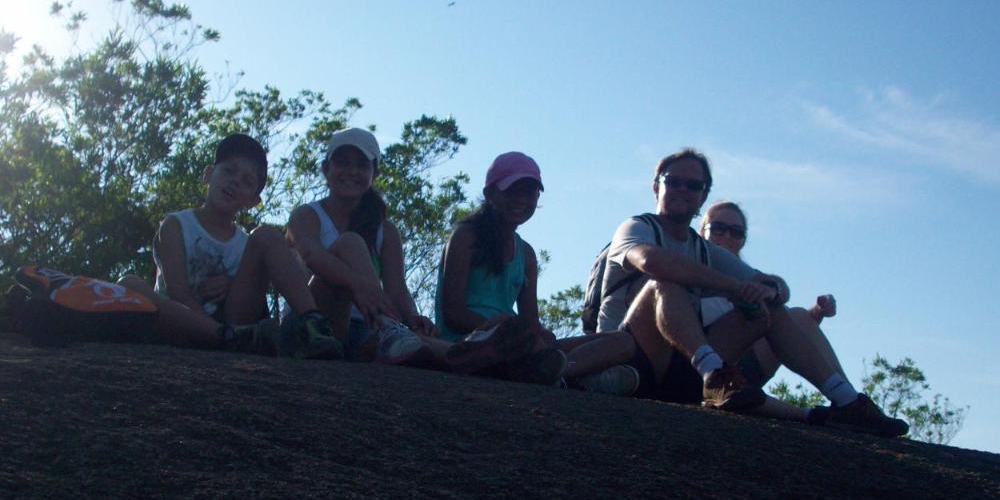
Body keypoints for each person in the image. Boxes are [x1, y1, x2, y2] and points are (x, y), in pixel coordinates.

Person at [597, 148, 907, 437]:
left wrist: (767, 290)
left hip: (683, 368)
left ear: (703, 195)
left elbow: (777, 287)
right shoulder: (637, 227)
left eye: (693, 186)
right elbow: (651, 261)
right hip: (631, 358)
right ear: (656, 187)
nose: (682, 189)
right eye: (673, 181)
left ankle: (846, 401)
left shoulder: (703, 250)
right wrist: (735, 286)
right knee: (664, 281)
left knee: (767, 307)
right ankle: (715, 373)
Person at [285, 129, 535, 374]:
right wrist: (358, 284)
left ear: (374, 172)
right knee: (350, 243)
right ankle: (390, 329)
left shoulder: (386, 230)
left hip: (365, 329)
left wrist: (412, 316)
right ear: (326, 169)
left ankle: (478, 357)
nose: (352, 171)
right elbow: (311, 254)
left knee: (419, 341)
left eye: (362, 165)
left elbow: (397, 288)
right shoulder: (307, 215)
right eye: (342, 163)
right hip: (315, 325)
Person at [120, 132, 343, 358]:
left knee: (267, 235)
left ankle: (313, 324)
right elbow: (179, 294)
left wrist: (232, 283)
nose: (235, 181)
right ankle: (223, 336)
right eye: (228, 171)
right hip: (182, 322)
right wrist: (215, 330)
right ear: (208, 175)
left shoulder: (247, 244)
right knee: (129, 283)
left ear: (253, 201)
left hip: (235, 326)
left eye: (247, 182)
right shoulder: (176, 225)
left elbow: (249, 295)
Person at [437, 151, 639, 392]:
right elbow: (453, 314)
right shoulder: (465, 237)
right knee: (518, 339)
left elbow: (531, 320)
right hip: (474, 342)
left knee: (622, 341)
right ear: (490, 193)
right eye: (513, 190)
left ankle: (562, 372)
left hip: (520, 342)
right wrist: (503, 327)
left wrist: (539, 334)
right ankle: (573, 376)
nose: (521, 199)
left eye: (529, 192)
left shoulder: (526, 254)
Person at [700, 201, 843, 422]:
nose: (727, 236)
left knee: (798, 315)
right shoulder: (689, 268)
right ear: (702, 231)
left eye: (736, 232)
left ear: (743, 240)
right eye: (718, 228)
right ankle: (822, 411)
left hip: (743, 368)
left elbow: (780, 321)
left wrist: (815, 314)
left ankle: (848, 400)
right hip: (705, 367)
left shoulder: (750, 278)